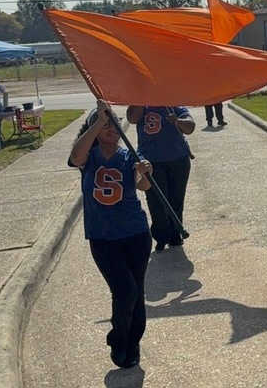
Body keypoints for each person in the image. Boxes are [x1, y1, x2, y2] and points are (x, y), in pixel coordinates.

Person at [69, 101, 153, 369]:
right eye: (105, 124)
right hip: (103, 237)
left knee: (136, 292)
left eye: (114, 123)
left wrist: (144, 172)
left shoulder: (129, 156)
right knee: (124, 290)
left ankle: (132, 343)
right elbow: (75, 158)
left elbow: (143, 185)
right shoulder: (89, 157)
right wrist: (98, 120)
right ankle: (118, 339)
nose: (111, 129)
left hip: (135, 234)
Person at [126, 104, 195, 251]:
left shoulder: (174, 105)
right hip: (151, 161)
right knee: (156, 200)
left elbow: (190, 127)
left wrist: (177, 121)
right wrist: (140, 99)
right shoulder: (141, 106)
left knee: (176, 198)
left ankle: (176, 234)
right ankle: (161, 236)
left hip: (178, 159)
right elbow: (132, 118)